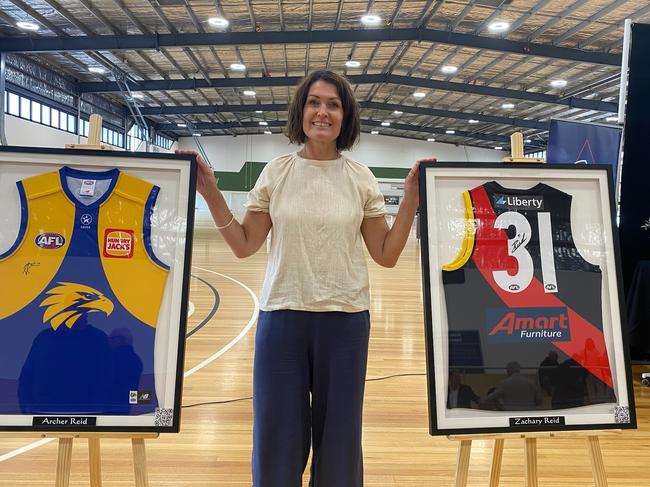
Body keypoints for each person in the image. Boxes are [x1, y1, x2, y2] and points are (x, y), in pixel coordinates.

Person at [178, 69, 432, 487]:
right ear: (301, 111)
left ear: (345, 117)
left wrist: (410, 201)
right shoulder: (276, 172)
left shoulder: (360, 178)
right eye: (314, 102)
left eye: (333, 104)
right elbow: (245, 244)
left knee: (340, 443)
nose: (322, 112)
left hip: (346, 322)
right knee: (277, 439)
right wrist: (210, 192)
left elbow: (386, 255)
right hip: (282, 320)